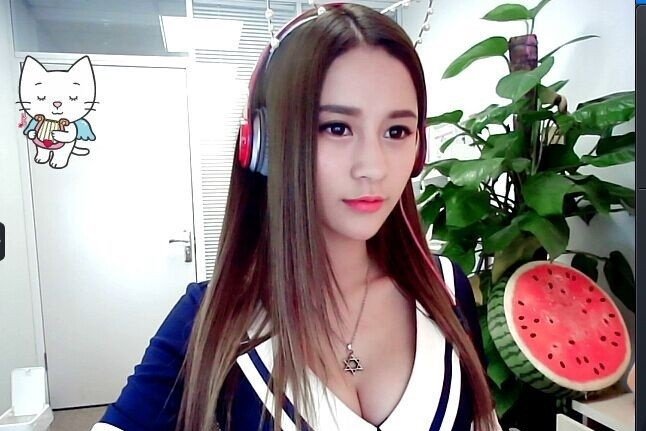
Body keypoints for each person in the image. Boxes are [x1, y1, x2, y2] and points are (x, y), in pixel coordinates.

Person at [91, 3, 502, 431]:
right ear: (264, 145)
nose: (373, 167)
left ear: (419, 149)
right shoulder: (211, 318)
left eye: (396, 131)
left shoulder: (445, 289)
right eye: (336, 128)